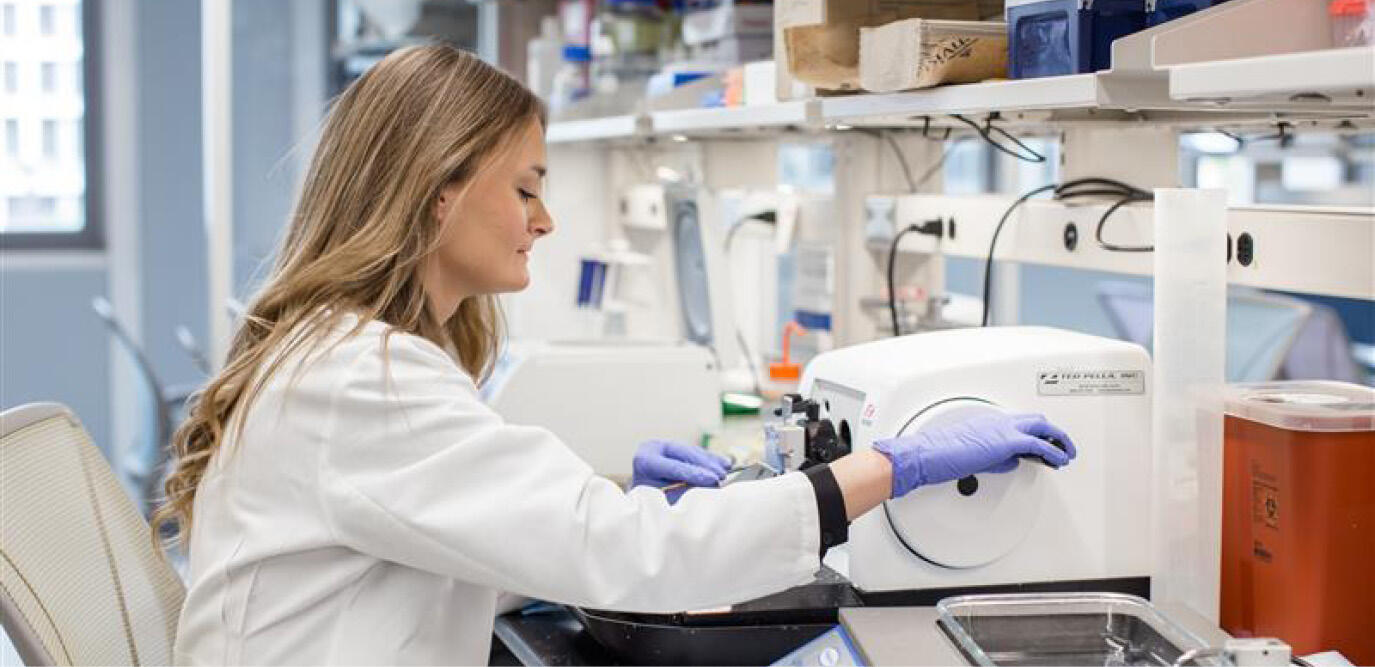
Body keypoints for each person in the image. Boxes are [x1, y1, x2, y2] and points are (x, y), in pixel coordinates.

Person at [157, 44, 1076, 665]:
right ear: (436, 191)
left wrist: (612, 494)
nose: (545, 220)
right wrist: (891, 467)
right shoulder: (364, 376)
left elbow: (451, 541)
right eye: (524, 188)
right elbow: (629, 556)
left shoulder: (344, 352)